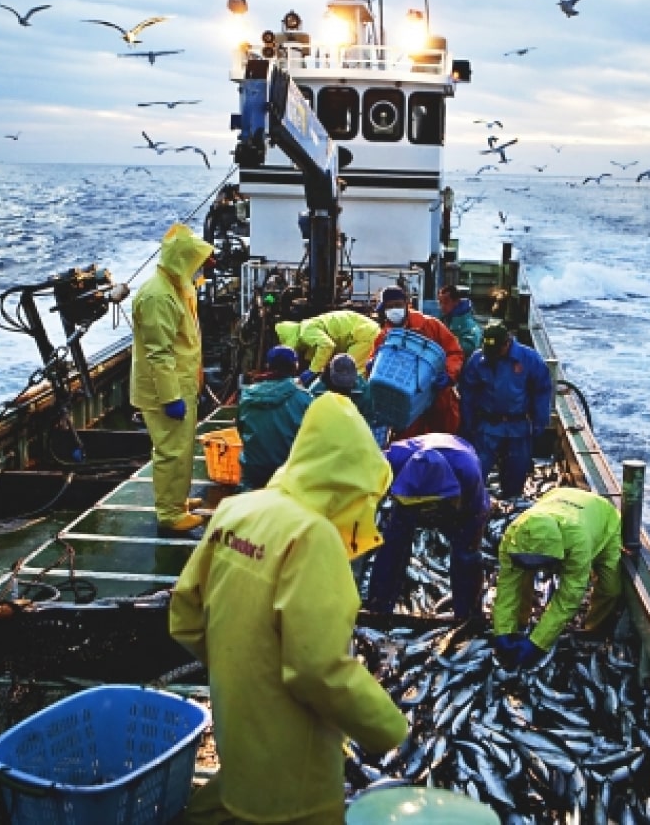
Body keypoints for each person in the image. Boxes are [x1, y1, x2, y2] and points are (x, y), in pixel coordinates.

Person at [170, 393, 408, 825]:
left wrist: (235, 667)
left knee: (236, 797)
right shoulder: (312, 536)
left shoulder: (237, 508)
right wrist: (387, 727)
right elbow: (318, 668)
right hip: (294, 759)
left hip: (234, 720)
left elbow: (184, 615)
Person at [130, 223, 214, 532]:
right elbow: (158, 353)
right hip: (167, 390)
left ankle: (177, 500)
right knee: (171, 451)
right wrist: (170, 397)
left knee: (182, 447)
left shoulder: (177, 288)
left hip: (183, 383)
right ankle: (169, 513)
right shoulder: (157, 297)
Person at [492, 487, 622, 668]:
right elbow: (507, 585)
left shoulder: (579, 542)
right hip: (558, 497)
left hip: (603, 519)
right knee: (520, 578)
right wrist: (503, 630)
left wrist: (538, 643)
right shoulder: (513, 535)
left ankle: (592, 630)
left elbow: (568, 597)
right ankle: (519, 624)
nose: (535, 569)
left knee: (611, 589)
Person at [366, 434, 490, 620]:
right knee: (392, 545)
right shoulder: (392, 460)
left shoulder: (468, 473)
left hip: (454, 497)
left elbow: (477, 515)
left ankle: (467, 616)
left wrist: (470, 542)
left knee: (466, 555)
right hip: (407, 499)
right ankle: (378, 606)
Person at [458, 323, 553, 498]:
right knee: (476, 472)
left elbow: (542, 390)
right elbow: (468, 392)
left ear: (506, 343)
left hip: (519, 427)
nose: (492, 355)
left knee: (516, 475)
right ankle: (472, 507)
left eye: (496, 350)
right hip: (487, 427)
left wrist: (540, 421)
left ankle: (512, 502)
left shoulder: (529, 358)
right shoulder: (478, 360)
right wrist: (467, 422)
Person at [369, 286, 464, 437]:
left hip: (437, 400)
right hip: (406, 406)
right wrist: (371, 365)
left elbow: (454, 352)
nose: (394, 310)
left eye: (398, 305)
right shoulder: (384, 337)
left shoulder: (431, 325)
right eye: (389, 306)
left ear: (407, 304)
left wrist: (449, 374)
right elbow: (374, 360)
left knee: (441, 446)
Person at [236, 345, 312, 490]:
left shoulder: (247, 395)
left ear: (268, 366)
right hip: (287, 469)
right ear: (295, 366)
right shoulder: (304, 398)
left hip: (253, 469)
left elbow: (241, 429)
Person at [275, 309, 380, 388]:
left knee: (352, 376)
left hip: (362, 334)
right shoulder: (307, 327)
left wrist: (312, 371)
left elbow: (326, 345)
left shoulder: (305, 331)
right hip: (364, 331)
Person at [308, 352, 375, 424]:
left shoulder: (364, 391)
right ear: (330, 373)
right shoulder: (316, 390)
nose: (343, 388)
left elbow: (368, 419)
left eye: (347, 382)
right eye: (339, 381)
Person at [437, 284, 483, 360]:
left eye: (446, 302)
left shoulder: (468, 322)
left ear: (456, 302)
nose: (442, 306)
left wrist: (447, 343)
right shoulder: (444, 319)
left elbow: (471, 347)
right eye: (440, 302)